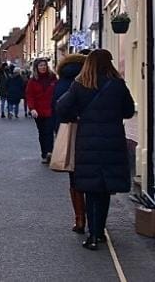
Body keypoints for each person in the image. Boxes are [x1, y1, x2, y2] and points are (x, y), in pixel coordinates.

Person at [56, 49, 136, 250]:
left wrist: (76, 116)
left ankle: (92, 236)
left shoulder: (80, 85)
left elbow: (61, 108)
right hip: (112, 142)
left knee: (91, 189)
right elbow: (128, 111)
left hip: (87, 143)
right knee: (104, 190)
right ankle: (99, 232)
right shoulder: (118, 85)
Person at [53, 52, 87, 234]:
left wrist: (57, 131)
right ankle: (97, 222)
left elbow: (57, 108)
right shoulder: (88, 82)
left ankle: (80, 219)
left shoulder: (60, 84)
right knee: (92, 178)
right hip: (89, 133)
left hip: (68, 133)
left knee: (74, 178)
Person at [25, 58, 57, 163]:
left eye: (44, 65)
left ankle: (50, 152)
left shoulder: (53, 78)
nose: (43, 67)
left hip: (51, 110)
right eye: (40, 66)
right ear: (36, 68)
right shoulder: (32, 81)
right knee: (42, 132)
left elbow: (57, 92)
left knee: (49, 131)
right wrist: (32, 109)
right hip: (38, 111)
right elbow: (29, 96)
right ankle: (44, 153)